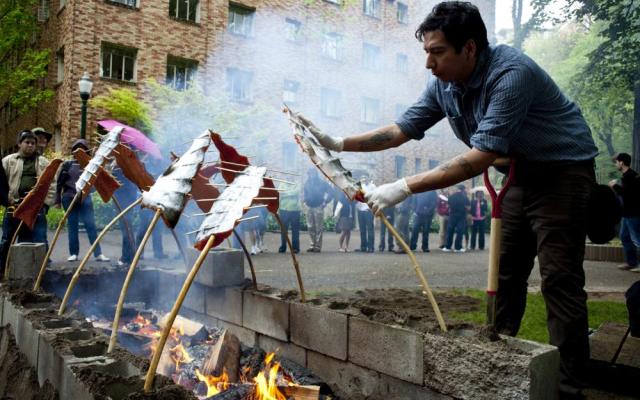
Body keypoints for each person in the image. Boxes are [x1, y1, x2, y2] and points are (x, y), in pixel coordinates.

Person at [302, 2, 599, 394]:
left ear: (470, 49)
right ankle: (499, 358)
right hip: (518, 171)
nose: (429, 63)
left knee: (559, 278)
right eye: (426, 52)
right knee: (505, 270)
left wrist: (403, 187)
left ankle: (569, 384)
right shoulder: (444, 83)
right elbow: (402, 129)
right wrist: (337, 141)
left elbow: (476, 159)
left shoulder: (511, 75)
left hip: (563, 169)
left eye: (437, 52)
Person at [0, 130, 55, 273]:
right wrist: (6, 200)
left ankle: (41, 271)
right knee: (7, 239)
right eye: (27, 142)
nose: (30, 146)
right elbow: (0, 183)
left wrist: (45, 204)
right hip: (14, 206)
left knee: (38, 239)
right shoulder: (8, 161)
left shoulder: (43, 162)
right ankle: (3, 270)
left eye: (33, 143)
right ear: (19, 143)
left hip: (36, 208)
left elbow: (51, 183)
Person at [55, 139, 109, 262]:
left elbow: (96, 184)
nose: (80, 151)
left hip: (86, 199)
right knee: (72, 225)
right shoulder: (67, 165)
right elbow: (59, 184)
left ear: (86, 151)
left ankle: (98, 254)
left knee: (91, 225)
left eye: (83, 148)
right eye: (77, 149)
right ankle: (73, 253)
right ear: (73, 151)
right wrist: (57, 200)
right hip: (69, 198)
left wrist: (91, 190)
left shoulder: (91, 165)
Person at [609, 153, 640, 273]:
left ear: (621, 162)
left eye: (616, 162)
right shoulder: (628, 175)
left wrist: (614, 185)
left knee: (637, 239)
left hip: (633, 213)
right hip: (627, 214)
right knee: (625, 237)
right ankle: (632, 262)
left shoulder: (631, 176)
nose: (616, 164)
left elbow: (627, 194)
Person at [303, 168, 331, 252]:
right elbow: (305, 193)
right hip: (309, 207)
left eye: (312, 173)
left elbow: (331, 192)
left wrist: (325, 202)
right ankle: (312, 245)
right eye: (309, 173)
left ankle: (318, 246)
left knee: (318, 227)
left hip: (319, 206)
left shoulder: (322, 183)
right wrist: (304, 201)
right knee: (310, 226)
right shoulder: (307, 183)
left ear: (315, 173)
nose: (311, 175)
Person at [443, 185, 469, 252]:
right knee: (460, 232)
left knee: (450, 231)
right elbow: (468, 207)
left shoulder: (451, 196)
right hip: (461, 216)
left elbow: (448, 206)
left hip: (452, 215)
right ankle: (458, 248)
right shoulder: (465, 197)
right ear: (463, 189)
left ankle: (447, 247)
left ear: (458, 189)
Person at [278, 182, 301, 254]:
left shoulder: (297, 184)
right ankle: (283, 247)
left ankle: (295, 248)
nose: (289, 177)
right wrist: (290, 193)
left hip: (295, 210)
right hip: (284, 209)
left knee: (295, 230)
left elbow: (296, 192)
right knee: (283, 230)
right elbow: (280, 193)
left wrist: (286, 193)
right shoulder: (282, 184)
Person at [355, 178, 375, 252]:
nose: (364, 179)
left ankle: (371, 247)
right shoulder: (361, 186)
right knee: (362, 230)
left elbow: (375, 197)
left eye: (366, 178)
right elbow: (357, 197)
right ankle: (363, 247)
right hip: (360, 210)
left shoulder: (372, 186)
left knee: (370, 229)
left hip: (368, 210)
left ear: (368, 178)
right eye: (363, 178)